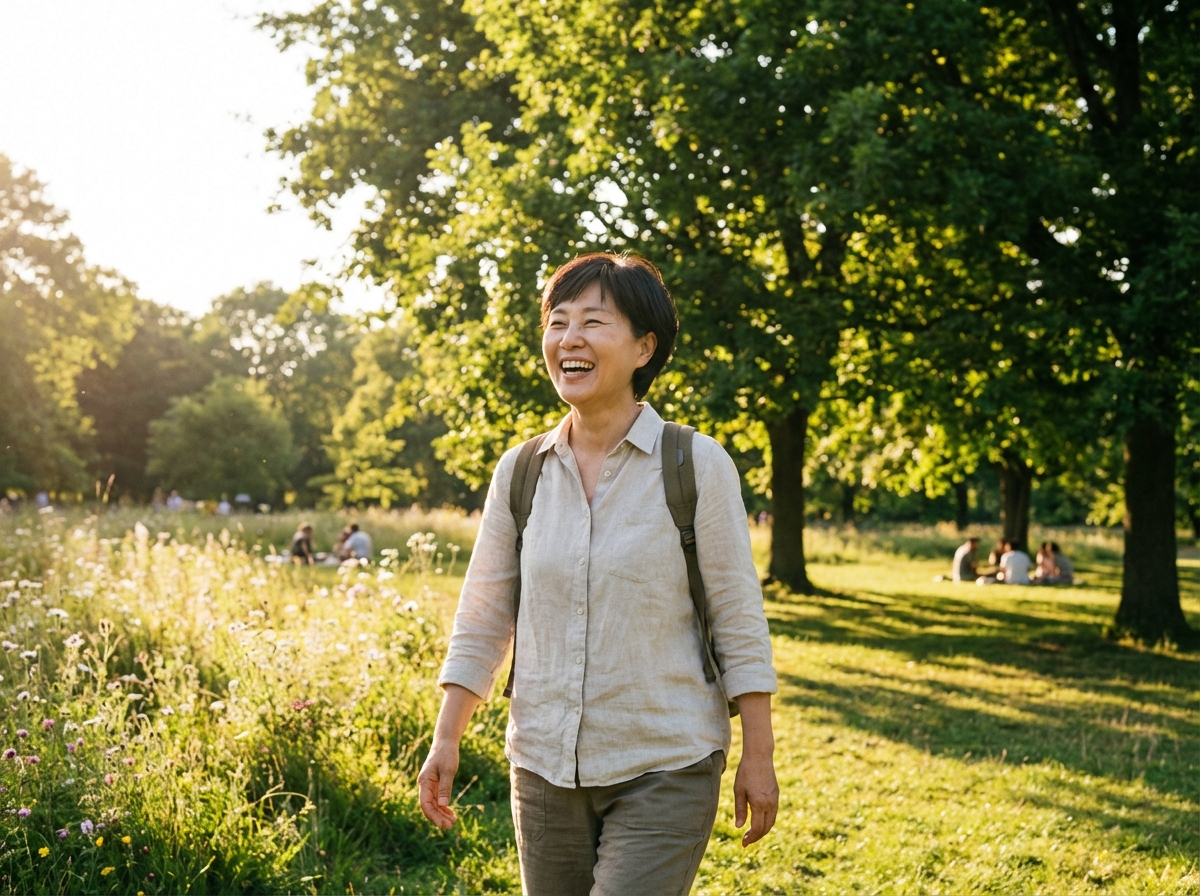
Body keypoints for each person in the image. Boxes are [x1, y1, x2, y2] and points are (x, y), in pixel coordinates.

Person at [417, 253, 779, 895]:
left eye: (593, 322)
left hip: (666, 761)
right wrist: (447, 738)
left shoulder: (696, 464)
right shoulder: (521, 471)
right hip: (543, 767)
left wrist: (759, 753)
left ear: (645, 346)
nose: (569, 339)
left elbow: (737, 615)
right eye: (557, 323)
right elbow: (483, 615)